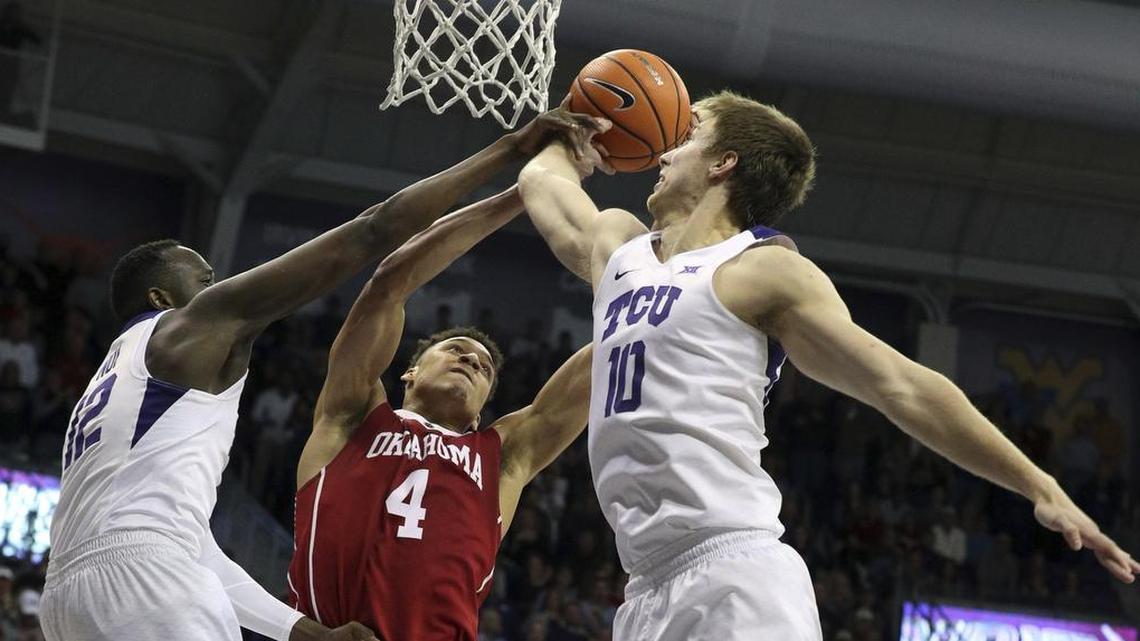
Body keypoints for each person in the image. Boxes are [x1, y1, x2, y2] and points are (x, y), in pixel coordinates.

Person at [516, 91, 1140, 640]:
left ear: (722, 161)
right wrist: (572, 131)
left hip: (734, 571)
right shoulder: (620, 250)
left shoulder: (759, 269)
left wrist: (1040, 486)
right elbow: (542, 185)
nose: (663, 150)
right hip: (644, 587)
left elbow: (901, 384)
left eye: (687, 133)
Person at [40, 108, 594, 641]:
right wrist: (520, 172)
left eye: (485, 365)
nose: (219, 286)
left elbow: (188, 548)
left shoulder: (118, 374)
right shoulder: (342, 408)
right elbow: (378, 252)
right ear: (407, 369)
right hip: (143, 577)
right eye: (205, 278)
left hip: (80, 589)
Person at [288, 185, 593, 641]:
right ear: (409, 372)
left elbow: (595, 370)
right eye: (456, 350)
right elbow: (389, 284)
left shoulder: (500, 455)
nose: (471, 360)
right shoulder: (354, 417)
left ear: (481, 412)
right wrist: (518, 196)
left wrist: (647, 285)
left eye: (484, 367)